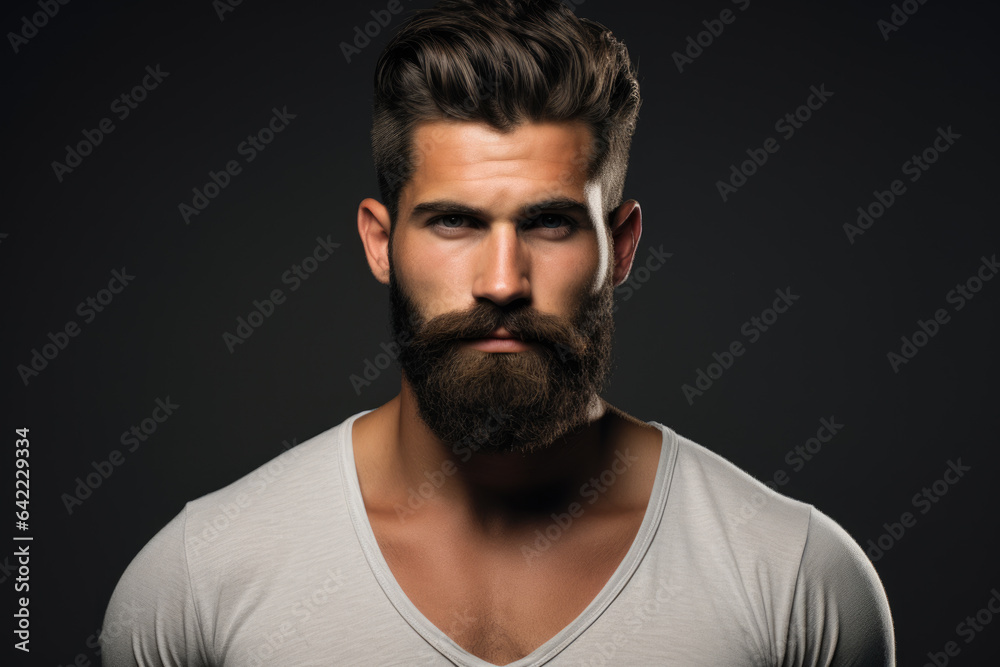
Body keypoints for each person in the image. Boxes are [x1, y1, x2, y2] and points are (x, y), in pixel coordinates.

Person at [101, 1, 895, 664]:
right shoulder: (199, 578)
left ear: (619, 247)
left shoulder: (795, 580)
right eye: (453, 222)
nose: (503, 281)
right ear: (381, 242)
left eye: (550, 223)